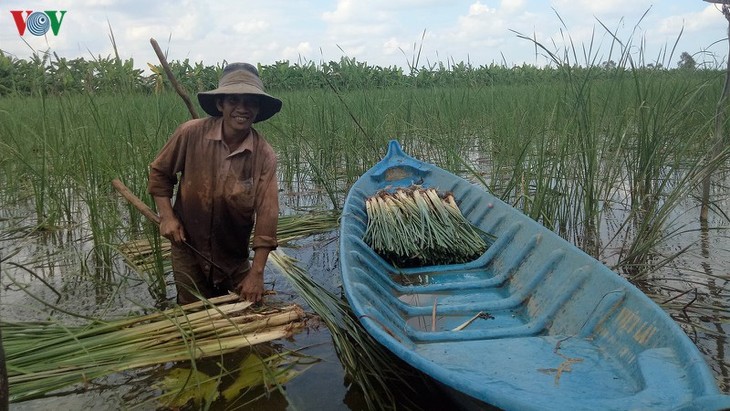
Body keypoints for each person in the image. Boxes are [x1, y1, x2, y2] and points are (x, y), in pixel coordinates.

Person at [147, 62, 281, 304]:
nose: (242, 109)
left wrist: (257, 273)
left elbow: (267, 215)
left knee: (247, 314)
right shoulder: (190, 133)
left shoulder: (264, 155)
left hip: (233, 256)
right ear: (221, 104)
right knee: (193, 315)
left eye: (250, 101)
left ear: (258, 108)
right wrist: (167, 216)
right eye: (233, 101)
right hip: (187, 247)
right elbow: (160, 173)